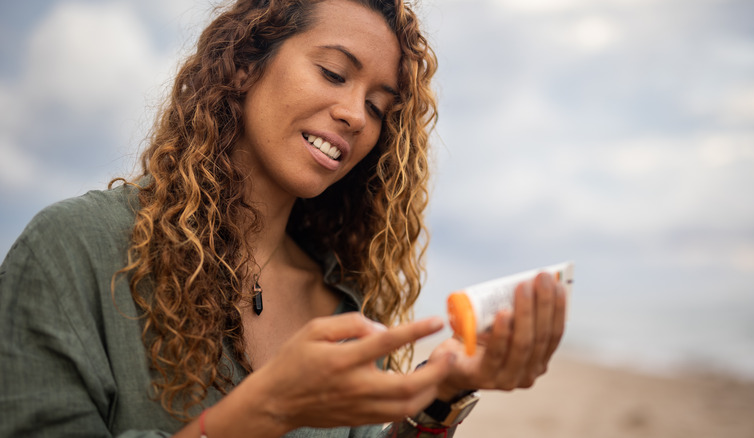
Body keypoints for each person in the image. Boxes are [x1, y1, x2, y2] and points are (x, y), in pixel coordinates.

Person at [0, 0, 568, 436]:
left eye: (377, 107)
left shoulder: (340, 314)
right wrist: (263, 411)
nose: (353, 116)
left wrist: (441, 393)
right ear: (246, 65)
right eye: (333, 73)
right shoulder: (73, 250)